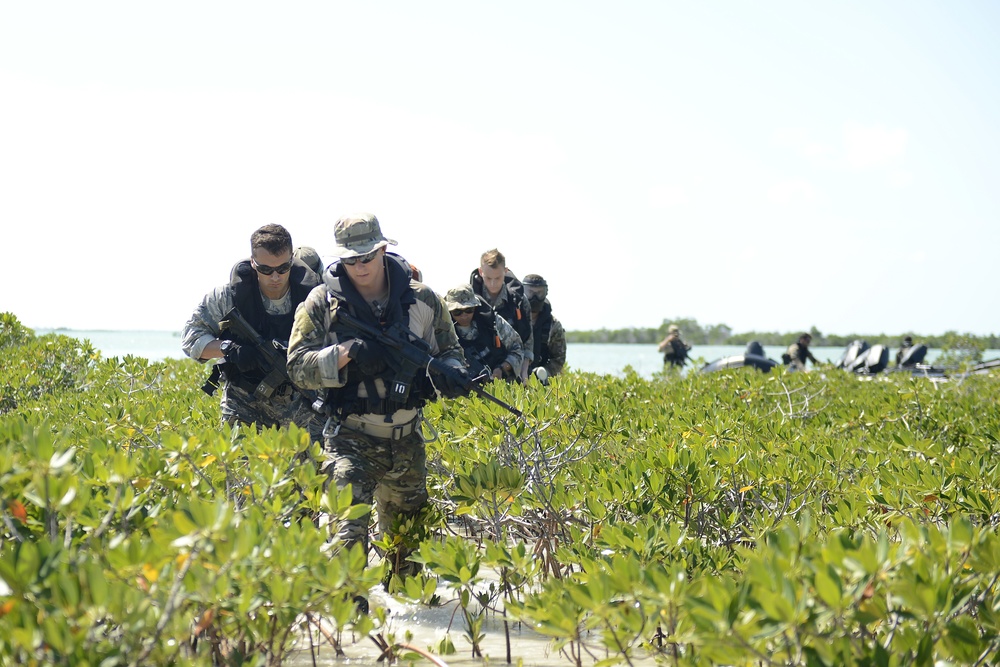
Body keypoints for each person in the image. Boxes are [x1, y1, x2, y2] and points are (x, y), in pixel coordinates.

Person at [285, 213, 468, 602]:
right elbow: (297, 367)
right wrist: (344, 354)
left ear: (384, 248)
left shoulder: (423, 299)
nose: (359, 266)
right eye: (350, 259)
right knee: (345, 554)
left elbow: (451, 353)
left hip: (407, 441)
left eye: (366, 256)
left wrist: (452, 375)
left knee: (409, 569)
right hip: (349, 438)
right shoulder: (321, 302)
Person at [181, 224, 322, 435]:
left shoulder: (315, 298)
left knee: (315, 467)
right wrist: (228, 348)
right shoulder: (228, 297)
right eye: (266, 270)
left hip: (303, 406)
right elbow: (191, 340)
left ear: (292, 260)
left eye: (282, 268)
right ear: (253, 263)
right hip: (243, 405)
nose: (275, 277)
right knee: (238, 467)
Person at [469, 249, 534, 381]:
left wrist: (524, 371)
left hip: (512, 370)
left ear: (505, 271)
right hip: (478, 371)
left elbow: (528, 340)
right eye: (488, 278)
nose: (493, 284)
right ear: (481, 272)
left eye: (497, 278)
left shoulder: (519, 301)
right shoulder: (469, 300)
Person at [444, 284, 524, 382]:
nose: (464, 316)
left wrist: (503, 368)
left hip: (503, 385)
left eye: (469, 310)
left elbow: (517, 348)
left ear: (475, 307)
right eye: (457, 312)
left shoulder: (493, 323)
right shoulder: (444, 333)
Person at [521, 274, 566, 383]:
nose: (534, 297)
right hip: (513, 376)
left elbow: (558, 359)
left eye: (539, 293)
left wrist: (545, 372)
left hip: (541, 381)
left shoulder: (553, 325)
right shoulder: (512, 319)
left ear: (546, 293)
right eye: (530, 293)